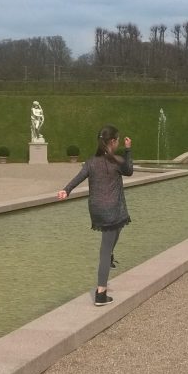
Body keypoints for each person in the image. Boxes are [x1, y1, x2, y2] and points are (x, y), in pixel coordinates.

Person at [57, 125, 133, 305]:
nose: (118, 142)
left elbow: (79, 177)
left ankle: (110, 253)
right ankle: (101, 293)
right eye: (117, 140)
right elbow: (129, 170)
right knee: (105, 250)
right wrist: (128, 150)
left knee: (120, 224)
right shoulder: (117, 161)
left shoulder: (91, 162)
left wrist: (66, 190)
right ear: (113, 141)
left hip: (97, 208)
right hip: (111, 208)